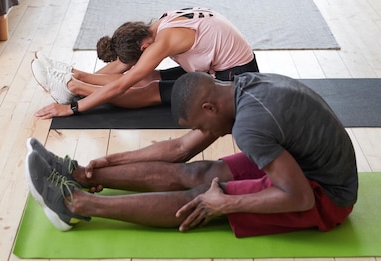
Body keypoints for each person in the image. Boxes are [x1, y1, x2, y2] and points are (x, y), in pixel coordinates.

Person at [25, 71, 358, 236]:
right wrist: (108, 162)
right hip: (299, 163)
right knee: (199, 171)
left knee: (204, 194)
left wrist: (226, 204)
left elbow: (300, 198)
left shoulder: (250, 127)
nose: (205, 132)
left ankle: (76, 204)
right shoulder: (241, 89)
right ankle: (79, 175)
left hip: (325, 196)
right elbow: (179, 149)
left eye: (202, 125)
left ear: (209, 106)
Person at [31, 7, 259, 119]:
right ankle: (73, 78)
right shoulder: (158, 25)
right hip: (215, 67)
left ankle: (73, 88)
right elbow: (123, 66)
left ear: (143, 48)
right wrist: (79, 73)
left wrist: (72, 108)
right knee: (149, 76)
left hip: (236, 80)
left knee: (149, 89)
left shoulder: (163, 42)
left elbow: (122, 84)